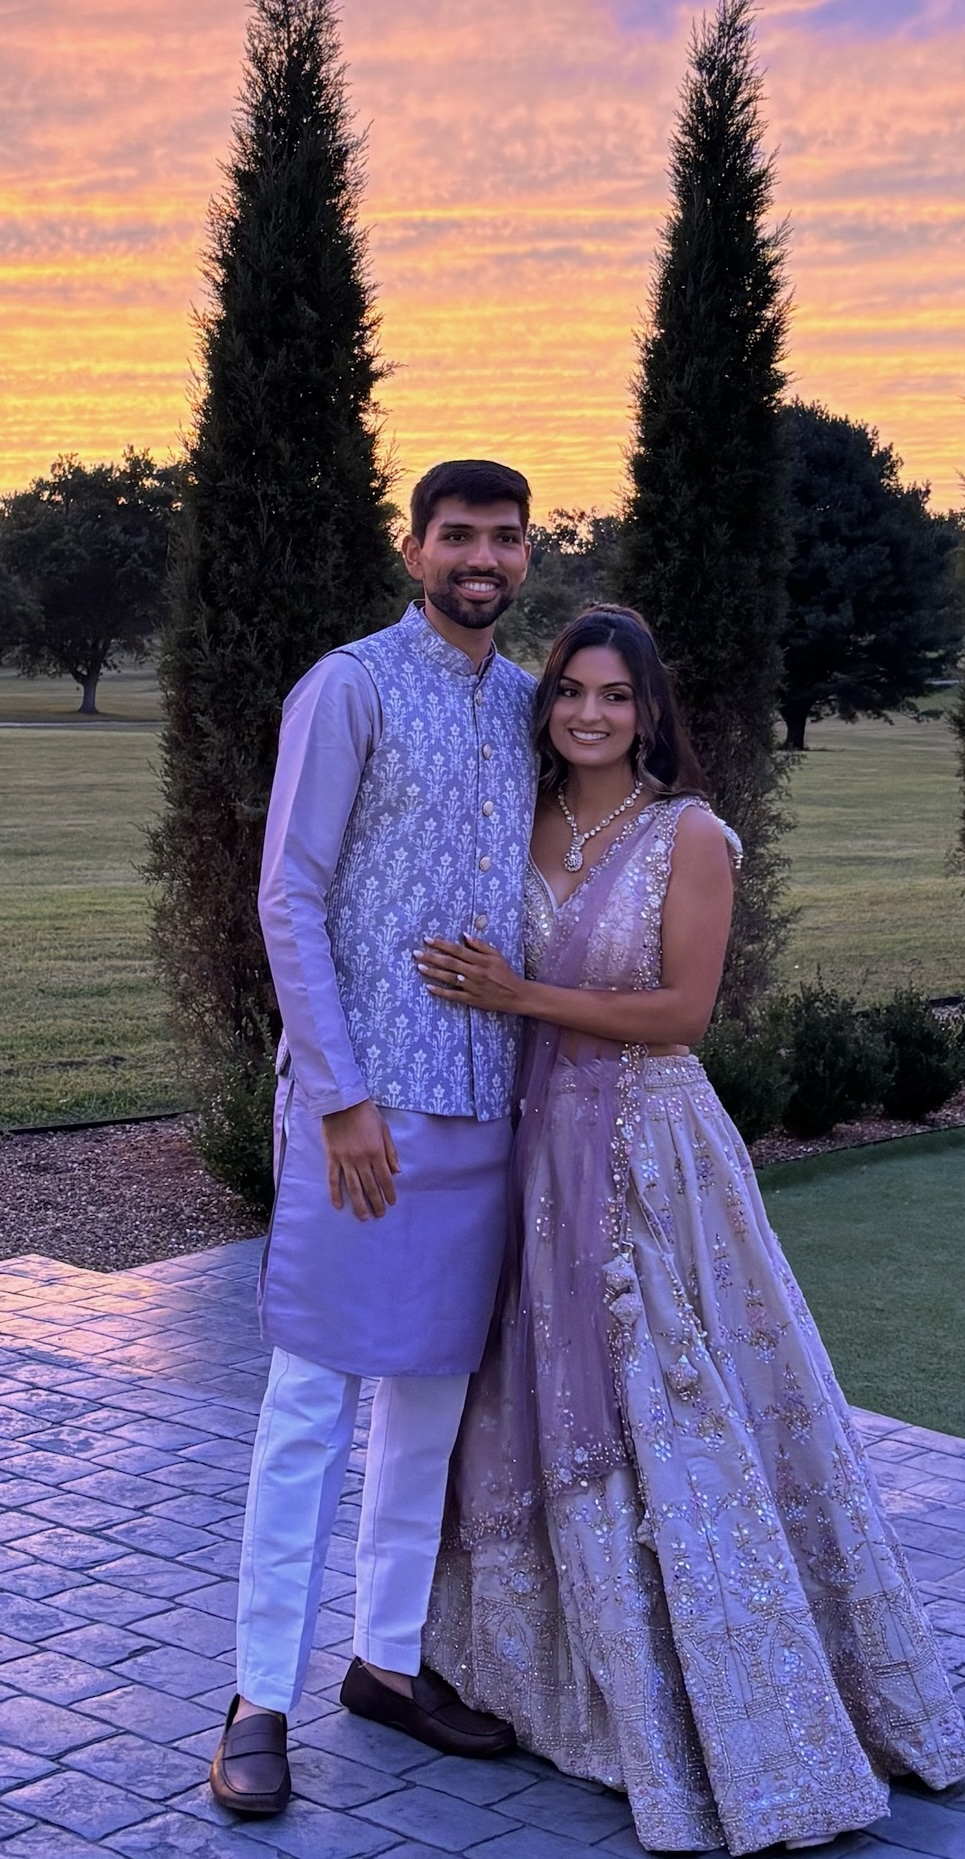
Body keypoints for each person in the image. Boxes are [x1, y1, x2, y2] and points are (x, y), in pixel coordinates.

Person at [414, 605, 965, 1856]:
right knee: (533, 1396)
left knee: (667, 1397)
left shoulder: (689, 835)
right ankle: (557, 1676)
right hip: (526, 1142)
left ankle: (737, 1711)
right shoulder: (516, 815)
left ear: (650, 710)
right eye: (569, 692)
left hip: (647, 1151)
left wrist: (518, 994)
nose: (590, 714)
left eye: (615, 695)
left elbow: (679, 1013)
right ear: (544, 704)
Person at [210, 459, 539, 1818]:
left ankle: (388, 1663)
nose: (481, 556)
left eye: (505, 538)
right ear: (414, 550)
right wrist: (337, 1093)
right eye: (456, 534)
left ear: (528, 556)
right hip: (364, 1110)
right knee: (309, 1402)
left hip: (482, 1103)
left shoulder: (531, 706)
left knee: (427, 1401)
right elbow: (290, 892)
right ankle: (256, 1695)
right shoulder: (346, 685)